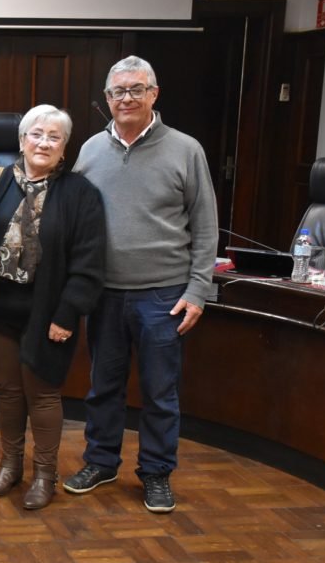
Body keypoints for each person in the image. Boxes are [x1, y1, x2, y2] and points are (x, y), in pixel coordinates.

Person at [65, 55, 217, 513]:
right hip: (104, 294)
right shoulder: (90, 149)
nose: (126, 98)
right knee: (103, 387)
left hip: (163, 296)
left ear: (154, 94)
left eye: (136, 89)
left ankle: (155, 473)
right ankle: (101, 461)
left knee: (159, 392)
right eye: (117, 92)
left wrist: (197, 291)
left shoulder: (186, 149)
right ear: (106, 100)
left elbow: (206, 226)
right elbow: (74, 217)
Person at [0, 105, 106, 510]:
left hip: (48, 311)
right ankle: (11, 465)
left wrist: (68, 313)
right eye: (36, 134)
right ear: (21, 140)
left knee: (44, 395)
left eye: (54, 137)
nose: (43, 142)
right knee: (8, 390)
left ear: (64, 148)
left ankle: (45, 475)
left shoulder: (81, 194)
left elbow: (89, 260)